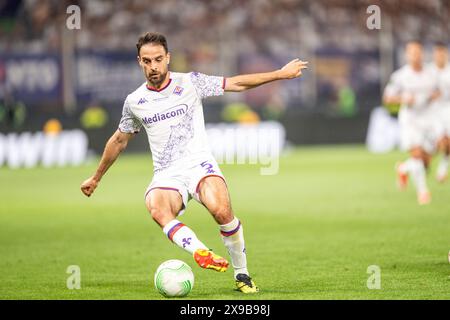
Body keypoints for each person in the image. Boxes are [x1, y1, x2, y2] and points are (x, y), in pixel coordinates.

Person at [80, 32, 308, 293]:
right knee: (156, 208)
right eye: (147, 61)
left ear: (168, 58)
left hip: (198, 164)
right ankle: (200, 251)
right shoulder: (135, 102)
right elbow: (119, 140)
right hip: (167, 173)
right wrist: (96, 177)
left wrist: (279, 73)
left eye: (158, 59)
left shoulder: (191, 82)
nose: (153, 67)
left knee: (222, 212)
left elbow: (236, 84)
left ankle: (242, 274)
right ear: (139, 62)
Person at [383, 40, 440, 205]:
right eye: (412, 52)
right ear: (407, 55)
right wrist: (404, 98)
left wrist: (433, 96)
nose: (416, 56)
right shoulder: (400, 76)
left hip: (429, 120)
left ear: (422, 53)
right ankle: (423, 193)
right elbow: (387, 98)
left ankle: (403, 169)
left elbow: (440, 91)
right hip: (410, 120)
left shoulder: (432, 74)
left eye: (418, 52)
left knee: (425, 161)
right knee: (416, 154)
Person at [428, 42, 450, 183]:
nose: (440, 57)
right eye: (437, 54)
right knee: (441, 143)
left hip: (448, 109)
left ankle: (442, 170)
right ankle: (408, 167)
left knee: (447, 143)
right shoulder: (429, 71)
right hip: (434, 112)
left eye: (442, 54)